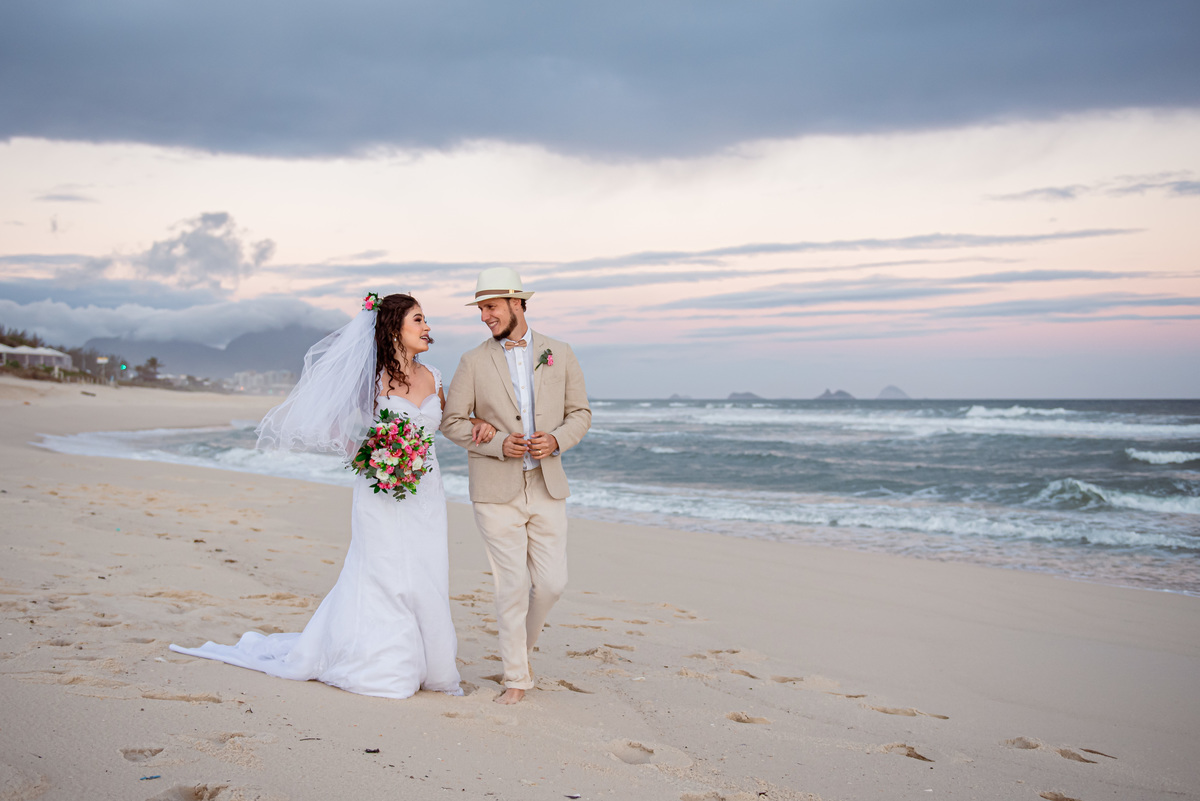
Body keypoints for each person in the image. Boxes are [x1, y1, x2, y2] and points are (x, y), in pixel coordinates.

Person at [170, 293, 462, 699]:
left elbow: (449, 424)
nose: (428, 326)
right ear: (394, 328)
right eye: (418, 319)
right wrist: (378, 457)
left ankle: (431, 664)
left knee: (426, 569)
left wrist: (480, 429)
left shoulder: (434, 376)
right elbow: (340, 432)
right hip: (381, 490)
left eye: (426, 319)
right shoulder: (370, 378)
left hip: (426, 491)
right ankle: (386, 663)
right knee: (383, 570)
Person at [442, 267, 591, 704]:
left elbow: (580, 413)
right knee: (510, 585)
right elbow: (451, 422)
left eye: (490, 307)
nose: (484, 316)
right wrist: (496, 444)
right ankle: (516, 678)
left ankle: (519, 653)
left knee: (551, 584)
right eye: (481, 308)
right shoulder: (472, 361)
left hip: (547, 485)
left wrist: (558, 439)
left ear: (517, 303)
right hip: (494, 489)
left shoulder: (559, 353)